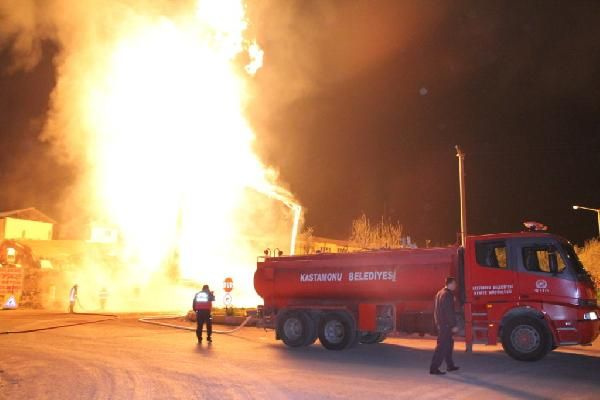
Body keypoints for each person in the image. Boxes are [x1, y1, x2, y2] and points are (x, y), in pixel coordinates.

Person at [430, 276, 460, 375]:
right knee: (442, 346)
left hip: (442, 324)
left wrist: (437, 323)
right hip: (446, 325)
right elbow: (449, 311)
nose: (455, 286)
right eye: (454, 284)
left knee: (448, 345)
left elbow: (435, 310)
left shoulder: (439, 293)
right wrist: (453, 325)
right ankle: (434, 368)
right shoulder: (447, 295)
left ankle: (450, 365)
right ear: (450, 284)